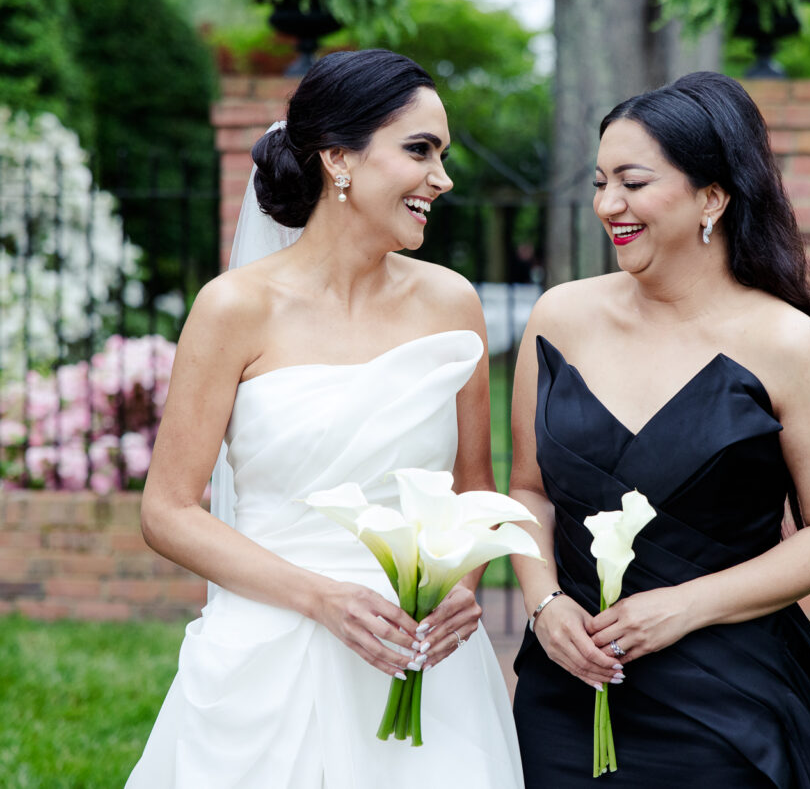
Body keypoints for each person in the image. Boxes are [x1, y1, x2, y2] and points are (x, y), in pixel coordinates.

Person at [127, 49, 523, 788]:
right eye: (420, 150)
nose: (442, 178)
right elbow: (168, 509)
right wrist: (322, 598)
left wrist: (460, 591)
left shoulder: (452, 305)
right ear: (338, 158)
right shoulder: (233, 308)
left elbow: (475, 491)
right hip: (270, 650)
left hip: (424, 660)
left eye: (442, 154)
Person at [509, 72, 810, 788]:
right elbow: (528, 488)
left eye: (634, 182)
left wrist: (683, 606)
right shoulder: (559, 317)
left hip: (725, 699)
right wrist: (545, 603)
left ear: (713, 196)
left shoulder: (788, 344)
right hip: (566, 692)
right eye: (600, 181)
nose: (608, 204)